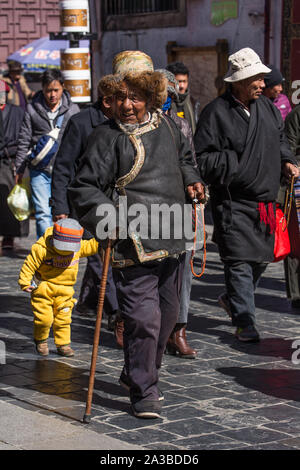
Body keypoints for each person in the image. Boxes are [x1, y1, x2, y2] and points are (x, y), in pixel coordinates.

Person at [68, 50, 204, 419]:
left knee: (168, 315)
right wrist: (109, 219)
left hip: (172, 232)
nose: (127, 105)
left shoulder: (171, 126)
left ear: (151, 96)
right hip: (133, 240)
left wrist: (192, 181)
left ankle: (136, 371)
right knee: (143, 319)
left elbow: (185, 162)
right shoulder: (105, 137)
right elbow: (83, 188)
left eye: (136, 96)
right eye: (121, 97)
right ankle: (145, 391)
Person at [194, 47, 299, 343]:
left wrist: (287, 161)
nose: (262, 84)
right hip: (233, 202)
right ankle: (245, 321)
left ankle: (232, 298)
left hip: (265, 200)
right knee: (239, 261)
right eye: (256, 78)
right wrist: (235, 161)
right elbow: (201, 159)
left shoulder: (266, 108)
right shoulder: (216, 113)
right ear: (238, 81)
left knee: (261, 259)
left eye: (262, 78)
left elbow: (279, 140)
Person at [50, 87, 121, 332]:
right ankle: (115, 310)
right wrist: (60, 206)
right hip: (83, 205)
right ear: (106, 100)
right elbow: (63, 166)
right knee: (98, 258)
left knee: (107, 257)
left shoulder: (122, 123)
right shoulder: (80, 123)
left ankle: (89, 302)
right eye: (118, 99)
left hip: (113, 204)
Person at [157, 68, 205, 359]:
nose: (164, 100)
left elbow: (192, 164)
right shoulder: (135, 125)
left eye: (168, 96)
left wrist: (196, 188)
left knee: (182, 274)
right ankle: (148, 328)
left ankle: (179, 330)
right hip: (146, 210)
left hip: (178, 208)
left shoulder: (181, 126)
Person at [18, 218, 98, 357]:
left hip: (66, 290)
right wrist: (25, 282)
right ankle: (41, 340)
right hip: (44, 288)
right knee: (44, 319)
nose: (66, 251)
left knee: (64, 319)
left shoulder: (79, 248)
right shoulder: (41, 249)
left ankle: (63, 344)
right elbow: (29, 265)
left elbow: (93, 245)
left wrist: (106, 239)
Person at [14, 69, 80, 239]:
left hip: (64, 171)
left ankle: (62, 248)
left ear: (63, 88)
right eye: (48, 90)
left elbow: (79, 140)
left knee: (62, 212)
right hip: (39, 169)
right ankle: (46, 253)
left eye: (56, 90)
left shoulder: (72, 110)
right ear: (42, 89)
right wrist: (19, 169)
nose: (52, 95)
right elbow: (24, 139)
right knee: (43, 212)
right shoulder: (31, 109)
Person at [0, 79, 28, 250]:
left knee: (11, 200)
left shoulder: (17, 112)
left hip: (10, 160)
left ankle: (9, 236)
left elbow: (23, 136)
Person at [283, 107, 300, 310]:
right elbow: (289, 147)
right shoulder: (296, 115)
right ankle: (297, 293)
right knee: (296, 240)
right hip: (298, 180)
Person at [165, 61, 199, 134]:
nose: (182, 86)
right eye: (179, 82)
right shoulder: (165, 103)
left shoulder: (193, 103)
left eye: (184, 81)